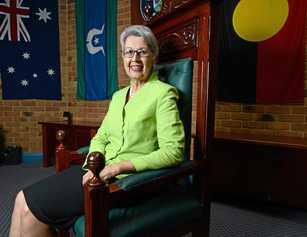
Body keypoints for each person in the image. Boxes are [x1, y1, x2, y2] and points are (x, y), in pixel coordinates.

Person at [9, 25, 185, 237]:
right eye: (129, 52)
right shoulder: (119, 95)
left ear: (153, 56)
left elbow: (173, 152)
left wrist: (117, 168)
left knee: (31, 211)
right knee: (21, 199)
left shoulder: (163, 94)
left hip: (127, 182)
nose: (135, 58)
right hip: (95, 171)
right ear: (122, 57)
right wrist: (96, 157)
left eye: (142, 52)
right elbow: (101, 136)